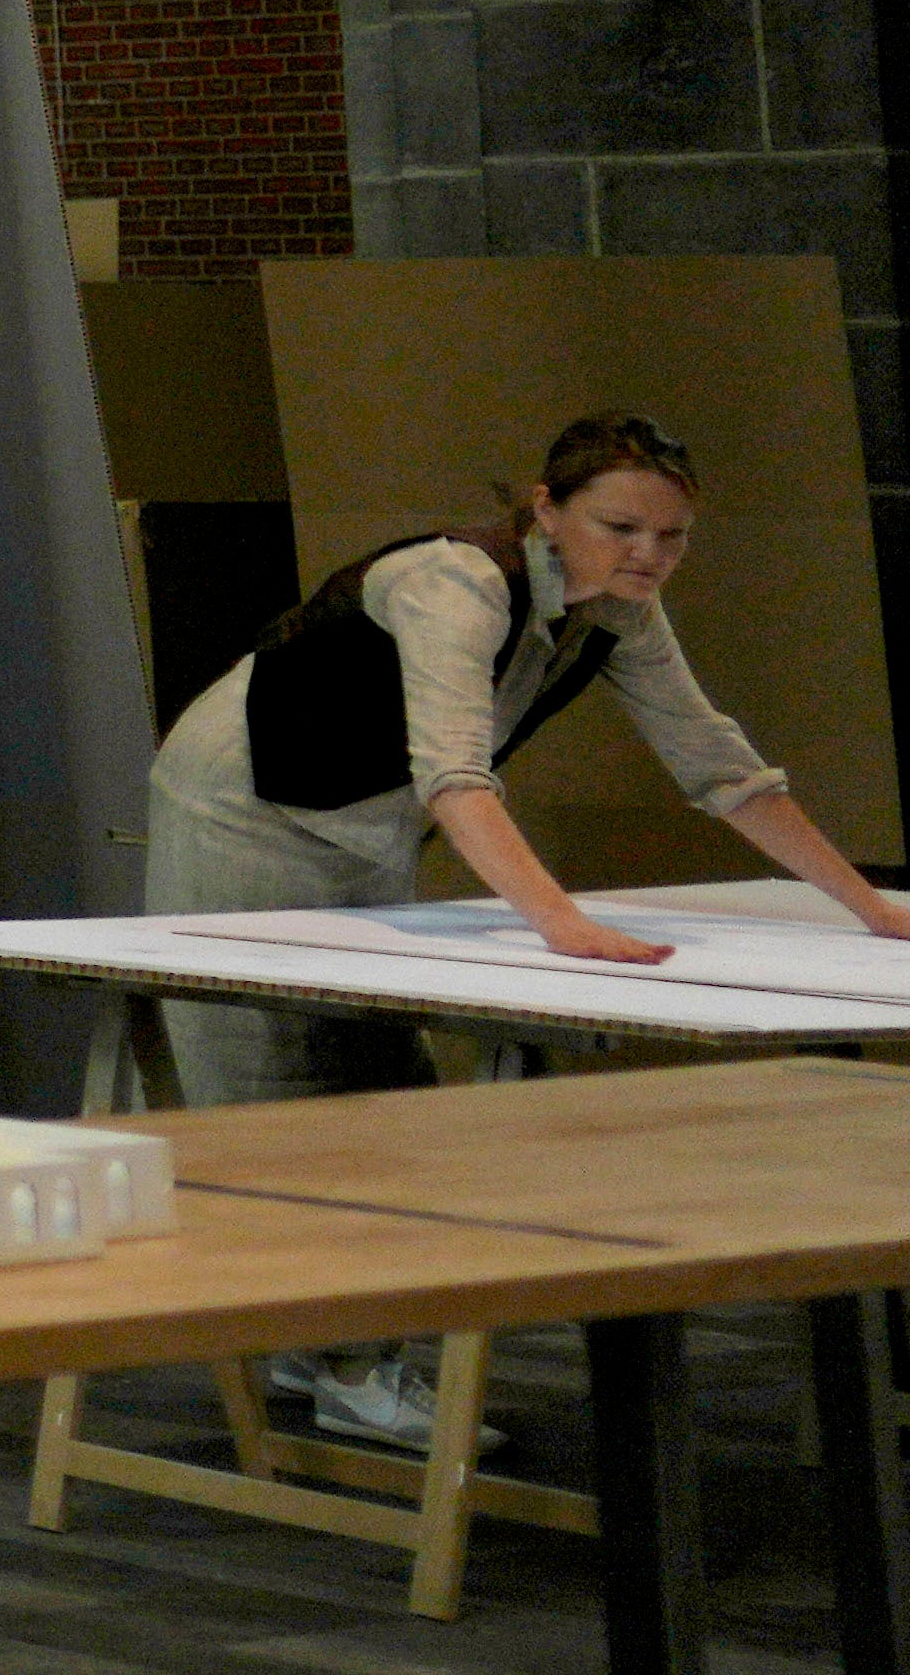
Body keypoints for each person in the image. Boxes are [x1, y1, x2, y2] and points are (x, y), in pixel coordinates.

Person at [142, 409, 910, 1448]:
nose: (645, 554)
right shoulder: (453, 584)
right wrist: (559, 922)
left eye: (670, 536)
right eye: (619, 527)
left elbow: (719, 767)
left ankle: (322, 1339)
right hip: (246, 805)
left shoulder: (618, 613)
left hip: (367, 819)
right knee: (272, 1077)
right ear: (546, 510)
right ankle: (334, 1358)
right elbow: (454, 775)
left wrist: (867, 906)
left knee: (383, 1081)